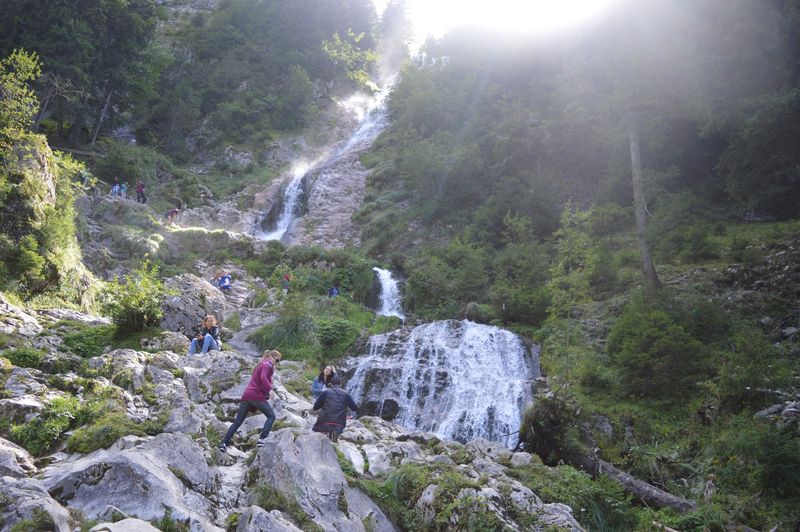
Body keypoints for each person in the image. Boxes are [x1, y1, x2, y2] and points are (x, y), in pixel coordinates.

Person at [218, 350, 282, 452]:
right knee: (271, 416)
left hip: (247, 396)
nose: (277, 362)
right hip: (256, 396)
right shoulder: (267, 365)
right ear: (270, 356)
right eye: (277, 360)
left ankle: (223, 443)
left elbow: (259, 380)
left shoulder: (260, 365)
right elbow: (263, 378)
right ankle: (262, 439)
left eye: (279, 361)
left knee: (237, 422)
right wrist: (270, 390)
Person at [312, 375, 358, 442]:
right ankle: (334, 434)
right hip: (338, 424)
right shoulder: (346, 394)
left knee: (317, 434)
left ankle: (327, 434)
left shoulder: (325, 393)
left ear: (330, 384)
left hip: (324, 423)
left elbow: (315, 407)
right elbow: (355, 408)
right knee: (336, 429)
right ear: (341, 384)